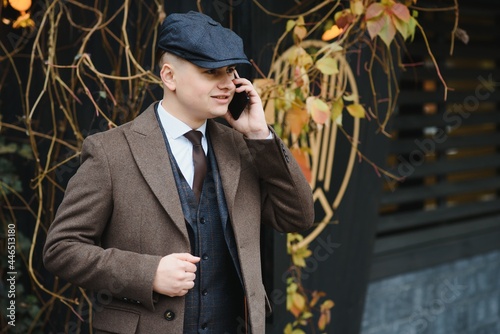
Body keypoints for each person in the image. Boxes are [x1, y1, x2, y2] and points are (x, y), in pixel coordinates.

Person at [43, 11, 314, 334]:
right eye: (211, 72)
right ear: (169, 77)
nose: (228, 84)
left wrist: (260, 135)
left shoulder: (242, 147)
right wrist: (148, 272)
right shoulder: (111, 152)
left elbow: (298, 216)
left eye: (230, 71)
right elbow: (61, 249)